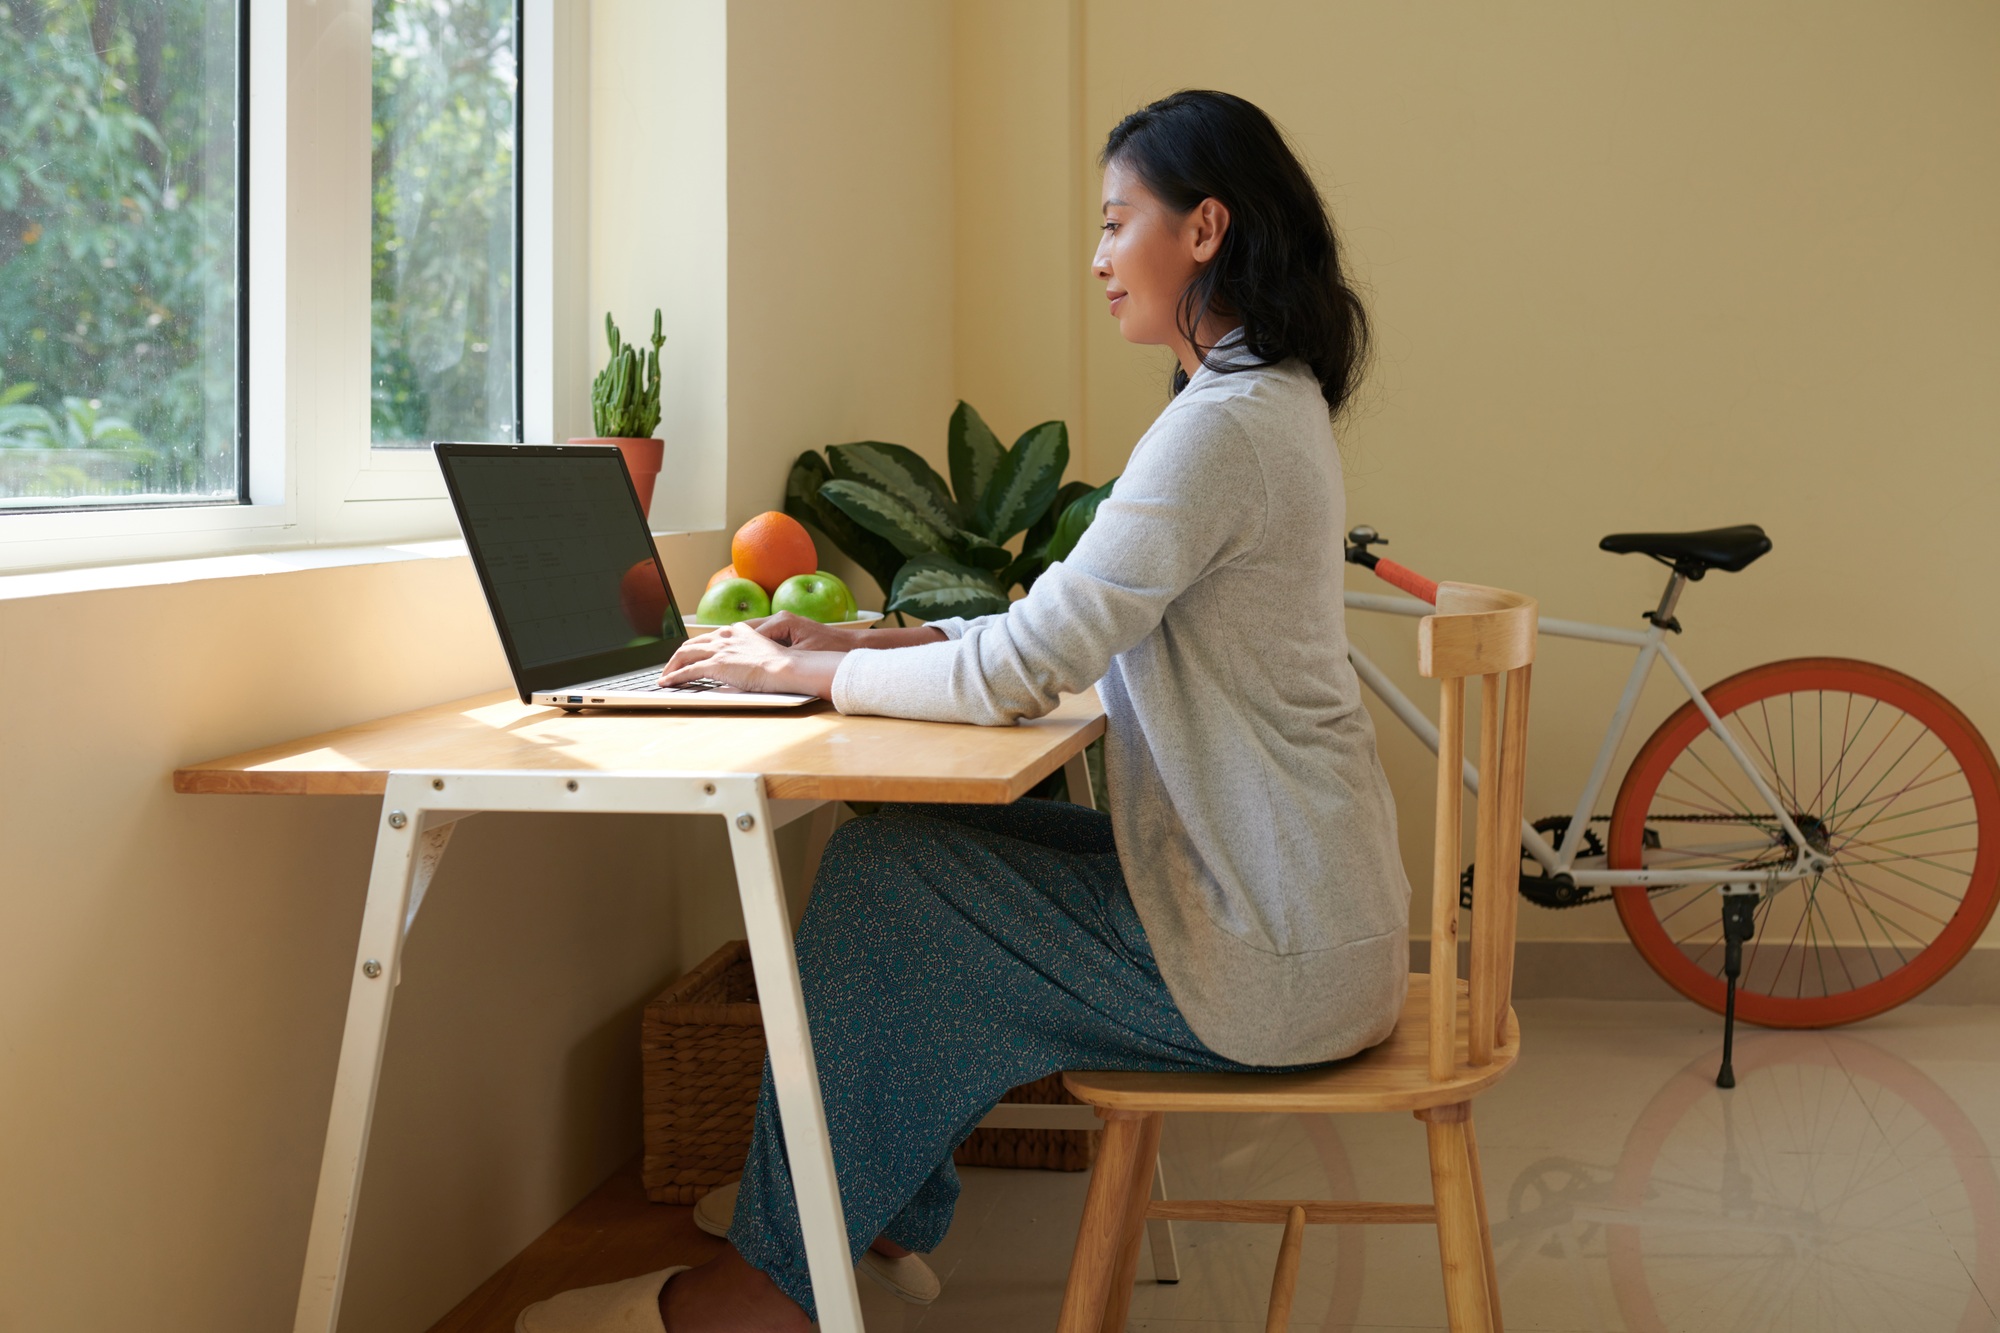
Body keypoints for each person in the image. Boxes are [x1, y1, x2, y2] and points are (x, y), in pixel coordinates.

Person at [518, 89, 1409, 1333]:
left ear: (1203, 229)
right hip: (1293, 916)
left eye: (1115, 223)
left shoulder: (1224, 426)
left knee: (893, 885)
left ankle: (760, 1295)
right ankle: (859, 1221)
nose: (1097, 259)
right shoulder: (1262, 401)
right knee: (888, 852)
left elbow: (1024, 665)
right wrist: (858, 637)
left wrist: (797, 674)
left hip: (1268, 957)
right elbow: (1064, 623)